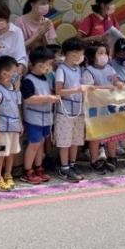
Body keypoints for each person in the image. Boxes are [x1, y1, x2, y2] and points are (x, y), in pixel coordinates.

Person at [20, 47, 60, 184]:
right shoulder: (28, 80)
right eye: (48, 64)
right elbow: (28, 99)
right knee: (34, 144)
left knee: (41, 143)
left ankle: (38, 167)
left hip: (45, 117)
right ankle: (27, 171)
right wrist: (47, 98)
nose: (49, 67)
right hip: (34, 118)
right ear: (39, 64)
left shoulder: (46, 78)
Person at [82, 43, 121, 171]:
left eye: (105, 53)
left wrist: (119, 84)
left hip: (110, 107)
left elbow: (116, 81)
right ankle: (94, 159)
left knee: (112, 133)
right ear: (92, 56)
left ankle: (112, 157)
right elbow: (89, 89)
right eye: (100, 53)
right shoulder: (88, 71)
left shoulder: (110, 68)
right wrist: (107, 88)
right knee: (96, 135)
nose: (104, 56)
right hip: (95, 108)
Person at [54, 38, 88, 183]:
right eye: (74, 54)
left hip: (78, 109)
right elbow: (58, 91)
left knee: (75, 140)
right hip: (65, 110)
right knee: (65, 140)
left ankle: (72, 164)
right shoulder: (61, 69)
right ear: (66, 54)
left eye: (80, 54)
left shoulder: (79, 69)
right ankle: (64, 167)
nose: (77, 57)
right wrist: (76, 89)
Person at [0, 55, 23, 192]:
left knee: (11, 153)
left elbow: (17, 108)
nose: (16, 75)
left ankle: (8, 174)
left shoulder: (15, 90)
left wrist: (20, 123)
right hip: (2, 129)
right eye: (14, 72)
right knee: (1, 153)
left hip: (13, 128)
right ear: (3, 73)